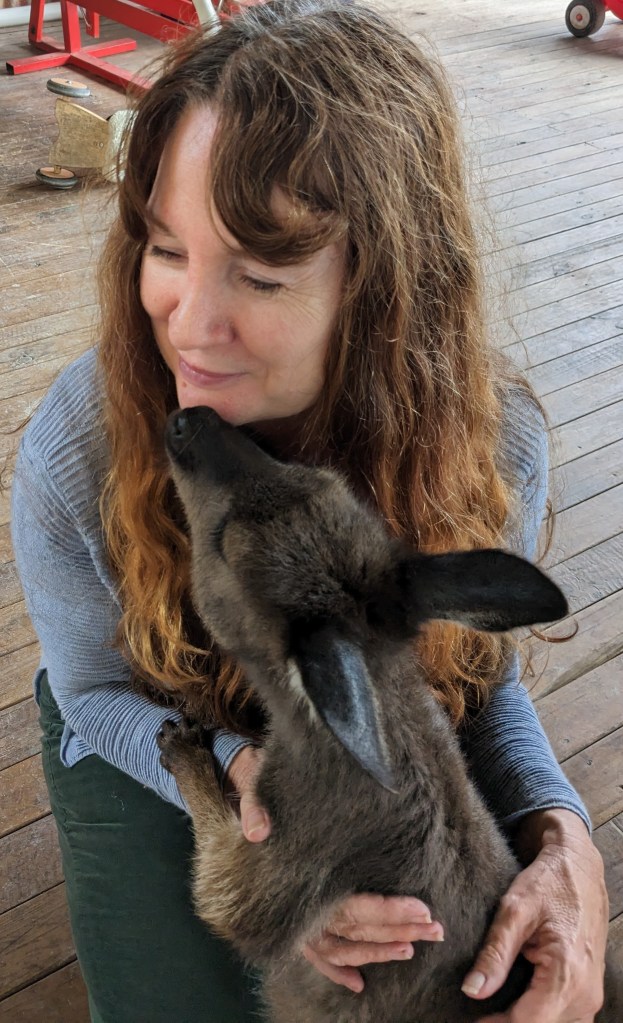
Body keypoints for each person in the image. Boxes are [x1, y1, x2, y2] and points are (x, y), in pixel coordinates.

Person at [11, 2, 609, 1022]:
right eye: (166, 249)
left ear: (380, 285)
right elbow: (90, 690)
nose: (190, 327)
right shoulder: (81, 446)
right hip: (162, 725)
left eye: (260, 273)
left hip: (359, 741)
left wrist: (560, 831)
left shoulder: (488, 440)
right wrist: (253, 803)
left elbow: (468, 679)